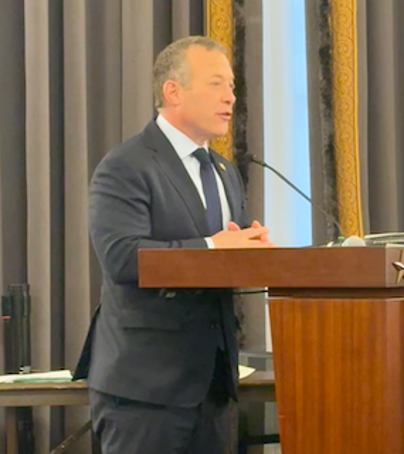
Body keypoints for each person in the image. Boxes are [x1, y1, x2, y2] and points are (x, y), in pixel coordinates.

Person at [74, 35, 274, 454]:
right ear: (173, 91)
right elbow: (122, 257)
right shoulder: (126, 165)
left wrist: (252, 254)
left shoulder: (225, 172)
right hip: (144, 390)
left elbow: (223, 260)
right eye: (216, 84)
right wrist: (214, 246)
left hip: (213, 388)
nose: (230, 97)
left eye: (232, 86)